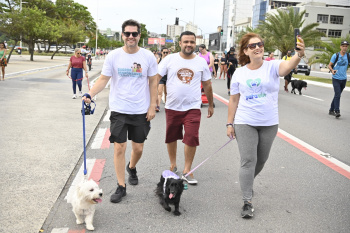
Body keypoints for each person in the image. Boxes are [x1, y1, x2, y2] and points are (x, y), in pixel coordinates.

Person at [226, 32, 305, 218]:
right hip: (245, 122)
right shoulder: (240, 73)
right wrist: (230, 123)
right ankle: (247, 201)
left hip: (269, 123)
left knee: (260, 161)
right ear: (246, 50)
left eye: (259, 44)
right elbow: (234, 100)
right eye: (252, 46)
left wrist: (299, 54)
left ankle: (247, 182)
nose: (257, 48)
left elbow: (287, 67)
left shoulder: (272, 66)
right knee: (248, 161)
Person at [82, 19, 158, 203]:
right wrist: (90, 94)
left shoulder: (148, 56)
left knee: (138, 148)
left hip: (140, 110)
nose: (131, 36)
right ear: (122, 35)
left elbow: (154, 81)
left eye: (134, 33)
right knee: (119, 147)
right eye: (127, 33)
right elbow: (103, 79)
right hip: (119, 109)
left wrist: (152, 106)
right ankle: (121, 186)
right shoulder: (113, 56)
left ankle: (132, 167)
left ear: (139, 35)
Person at [157, 31, 214, 185]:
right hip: (172, 106)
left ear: (195, 44)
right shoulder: (169, 59)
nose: (189, 45)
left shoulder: (201, 62)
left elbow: (207, 84)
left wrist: (211, 104)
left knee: (191, 137)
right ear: (180, 43)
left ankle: (187, 170)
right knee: (172, 136)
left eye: (192, 42)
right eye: (186, 42)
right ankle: (173, 165)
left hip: (193, 107)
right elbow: (156, 78)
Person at [328, 40, 349, 118]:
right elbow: (329, 65)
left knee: (338, 94)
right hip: (336, 78)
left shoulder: (348, 56)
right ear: (340, 47)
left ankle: (331, 110)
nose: (344, 47)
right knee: (337, 94)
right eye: (343, 46)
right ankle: (337, 111)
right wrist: (332, 70)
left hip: (344, 79)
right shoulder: (335, 55)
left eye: (346, 46)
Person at [156, 47, 169, 112]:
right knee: (160, 92)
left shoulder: (169, 60)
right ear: (161, 52)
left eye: (167, 52)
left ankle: (166, 105)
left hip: (168, 78)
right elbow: (155, 68)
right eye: (164, 52)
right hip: (161, 78)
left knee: (166, 93)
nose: (165, 54)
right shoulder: (159, 59)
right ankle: (158, 106)